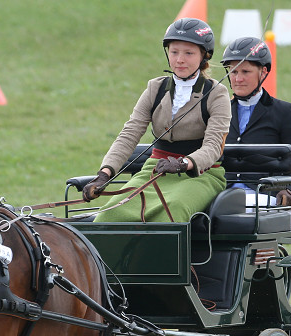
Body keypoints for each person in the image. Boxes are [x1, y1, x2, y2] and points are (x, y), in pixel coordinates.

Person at [82, 18, 231, 223]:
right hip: (155, 169)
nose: (180, 59)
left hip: (200, 175)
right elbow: (130, 133)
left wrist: (185, 163)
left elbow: (214, 145)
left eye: (189, 53)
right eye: (174, 52)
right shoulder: (155, 88)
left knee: (171, 213)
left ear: (204, 56)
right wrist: (105, 173)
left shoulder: (217, 93)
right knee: (108, 215)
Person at [220, 36, 291, 211]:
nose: (237, 79)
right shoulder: (218, 113)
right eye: (233, 72)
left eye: (245, 72)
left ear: (264, 72)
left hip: (264, 197)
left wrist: (290, 191)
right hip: (221, 195)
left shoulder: (285, 113)